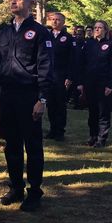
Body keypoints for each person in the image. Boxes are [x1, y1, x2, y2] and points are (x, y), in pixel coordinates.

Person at [0, 0, 53, 211]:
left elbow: (45, 67)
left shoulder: (40, 32)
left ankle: (34, 192)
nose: (13, 1)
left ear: (29, 3)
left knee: (33, 146)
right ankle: (15, 187)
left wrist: (42, 99)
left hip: (29, 96)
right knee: (12, 144)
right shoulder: (4, 32)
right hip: (7, 96)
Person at [76, 20, 112, 148]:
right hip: (90, 83)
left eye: (100, 28)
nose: (97, 30)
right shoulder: (88, 44)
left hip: (104, 83)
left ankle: (102, 138)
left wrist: (110, 85)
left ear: (105, 30)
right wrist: (81, 83)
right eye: (95, 27)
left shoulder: (111, 45)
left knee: (103, 112)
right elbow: (82, 64)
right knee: (92, 112)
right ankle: (93, 136)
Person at [46, 12, 75, 141]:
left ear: (63, 22)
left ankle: (60, 131)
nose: (55, 22)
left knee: (60, 105)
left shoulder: (68, 38)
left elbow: (72, 59)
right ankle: (52, 129)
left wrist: (69, 76)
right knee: (50, 104)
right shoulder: (46, 36)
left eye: (57, 20)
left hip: (62, 76)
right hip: (48, 76)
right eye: (52, 19)